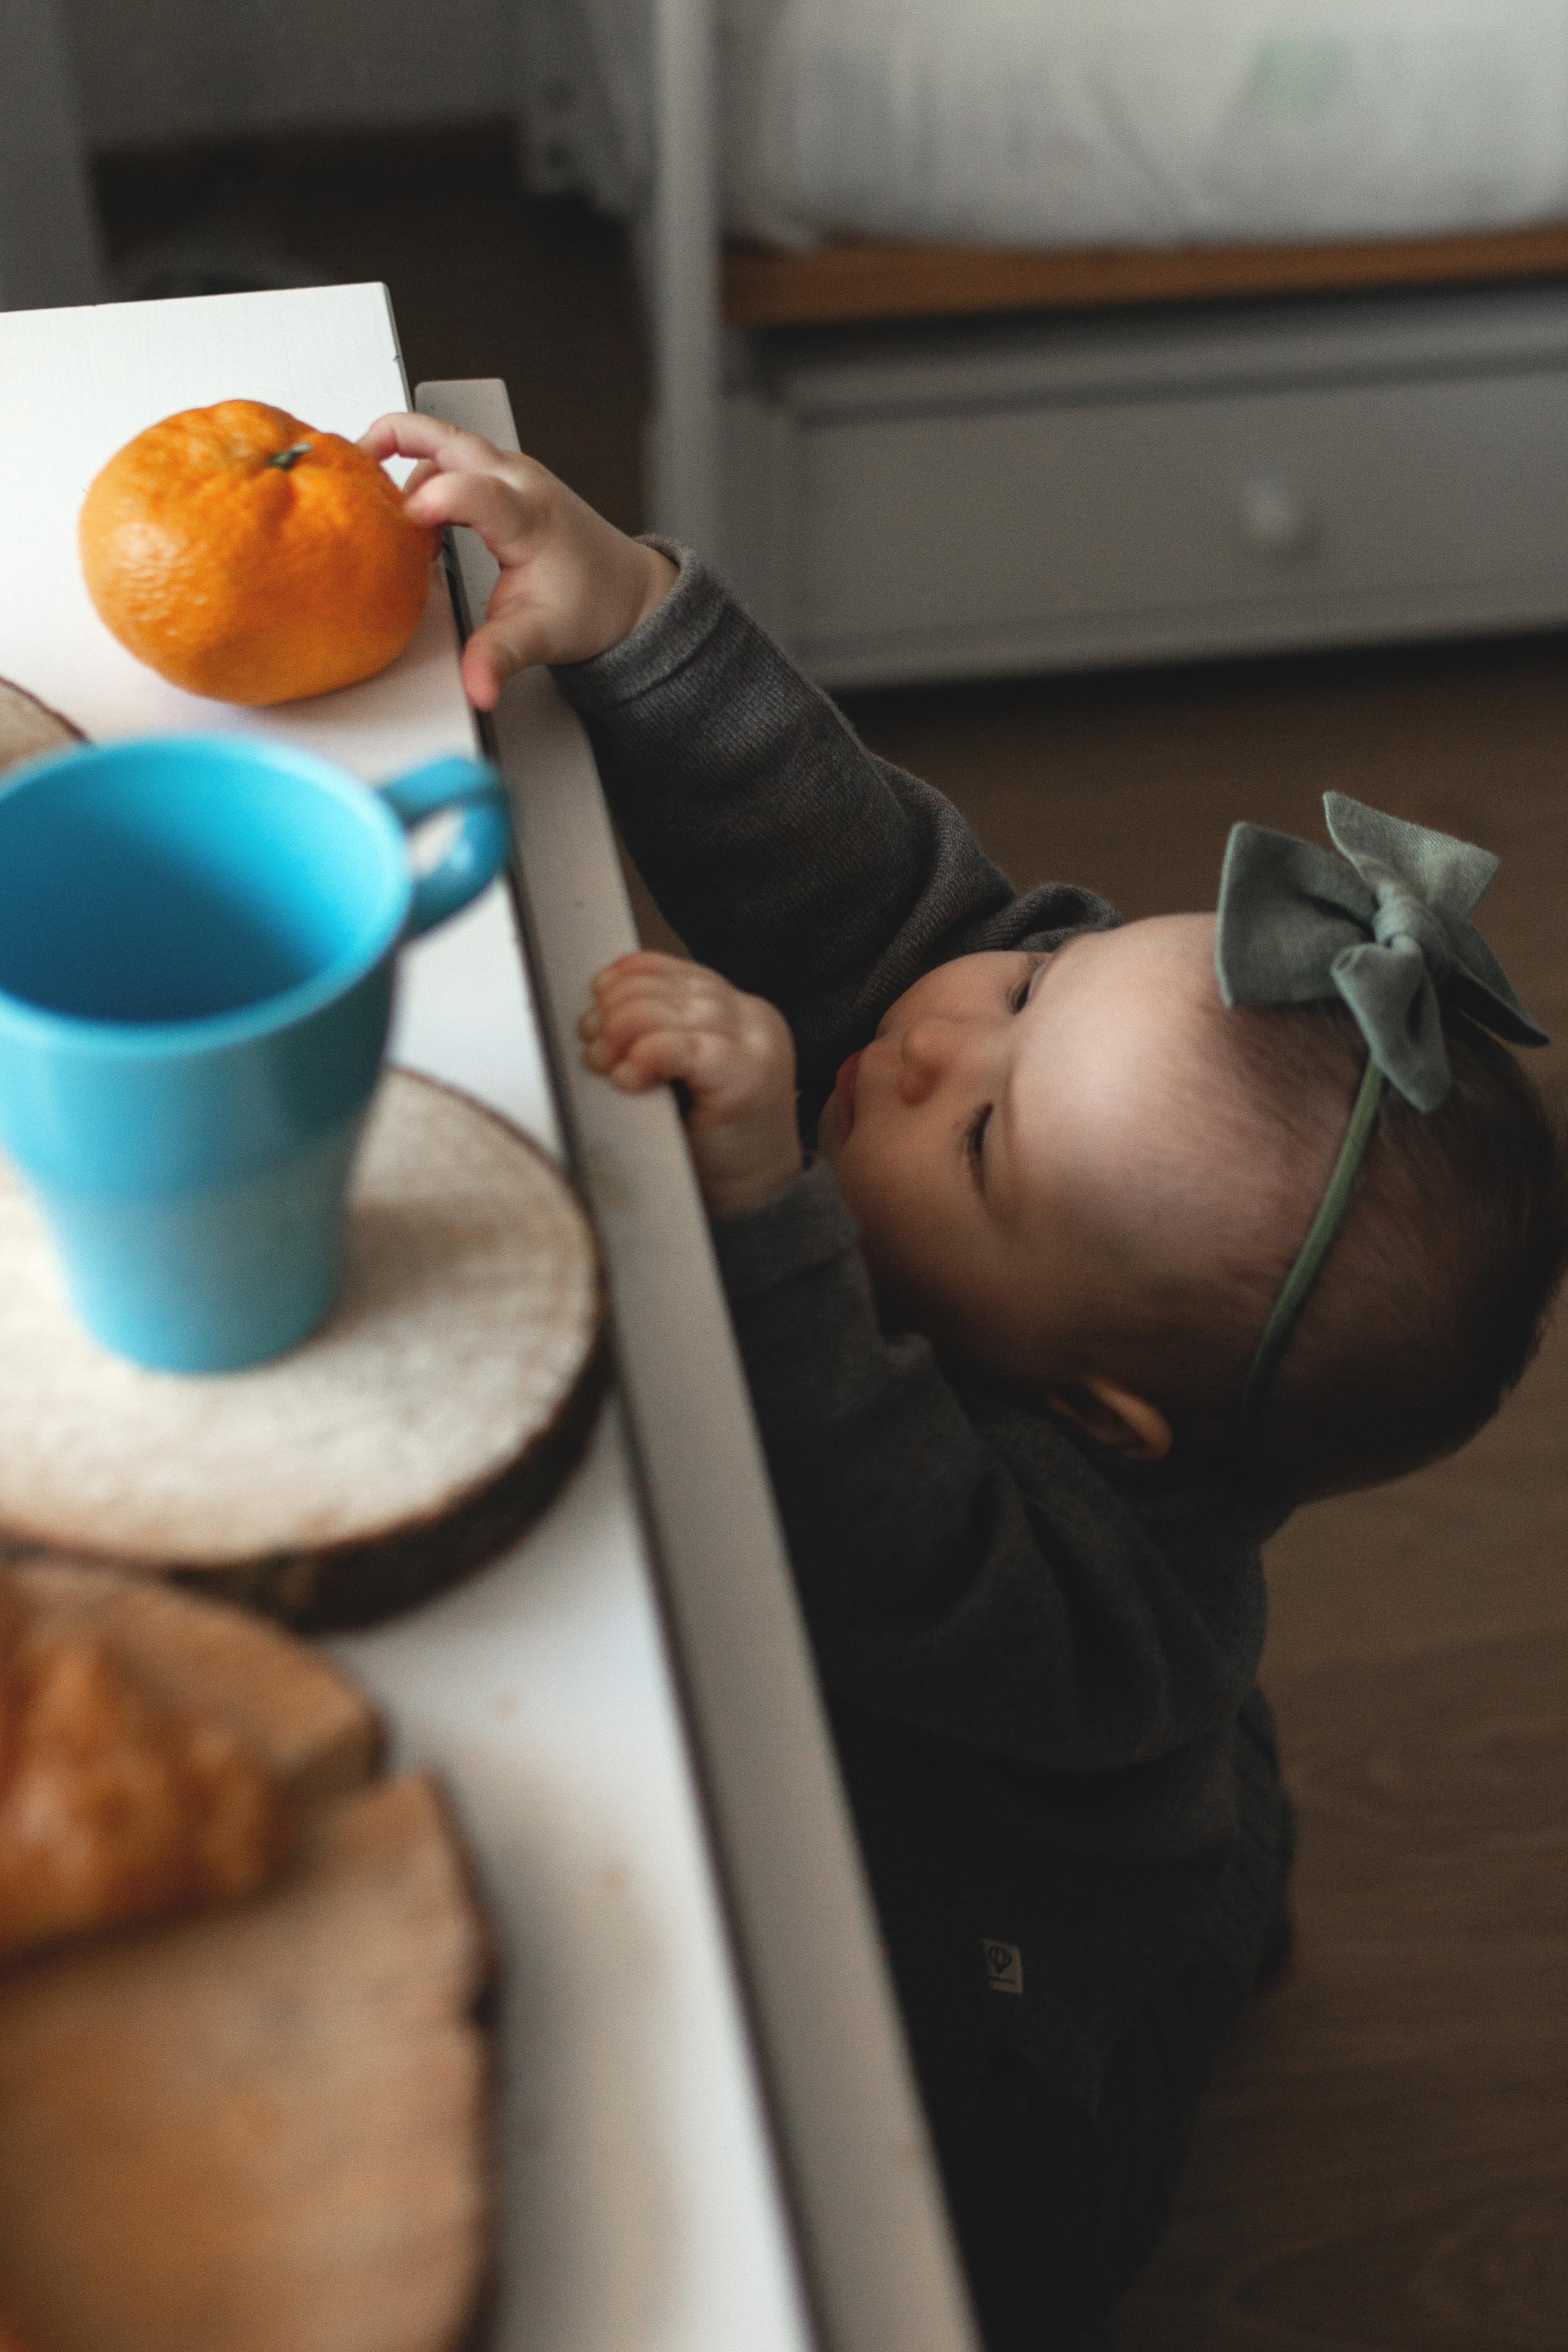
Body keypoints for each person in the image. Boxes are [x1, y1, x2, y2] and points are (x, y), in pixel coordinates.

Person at [364, 413, 1568, 2349]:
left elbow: (870, 1528)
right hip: (1151, 1785)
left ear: (1101, 1416)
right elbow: (891, 902)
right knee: (1206, 1814)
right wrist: (634, 619)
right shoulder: (985, 1070)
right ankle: (1237, 1870)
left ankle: (1169, 2003)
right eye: (1034, 994)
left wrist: (766, 1201)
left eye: (990, 1141)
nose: (932, 1034)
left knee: (963, 2220)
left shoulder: (1065, 1585)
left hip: (1021, 1984)